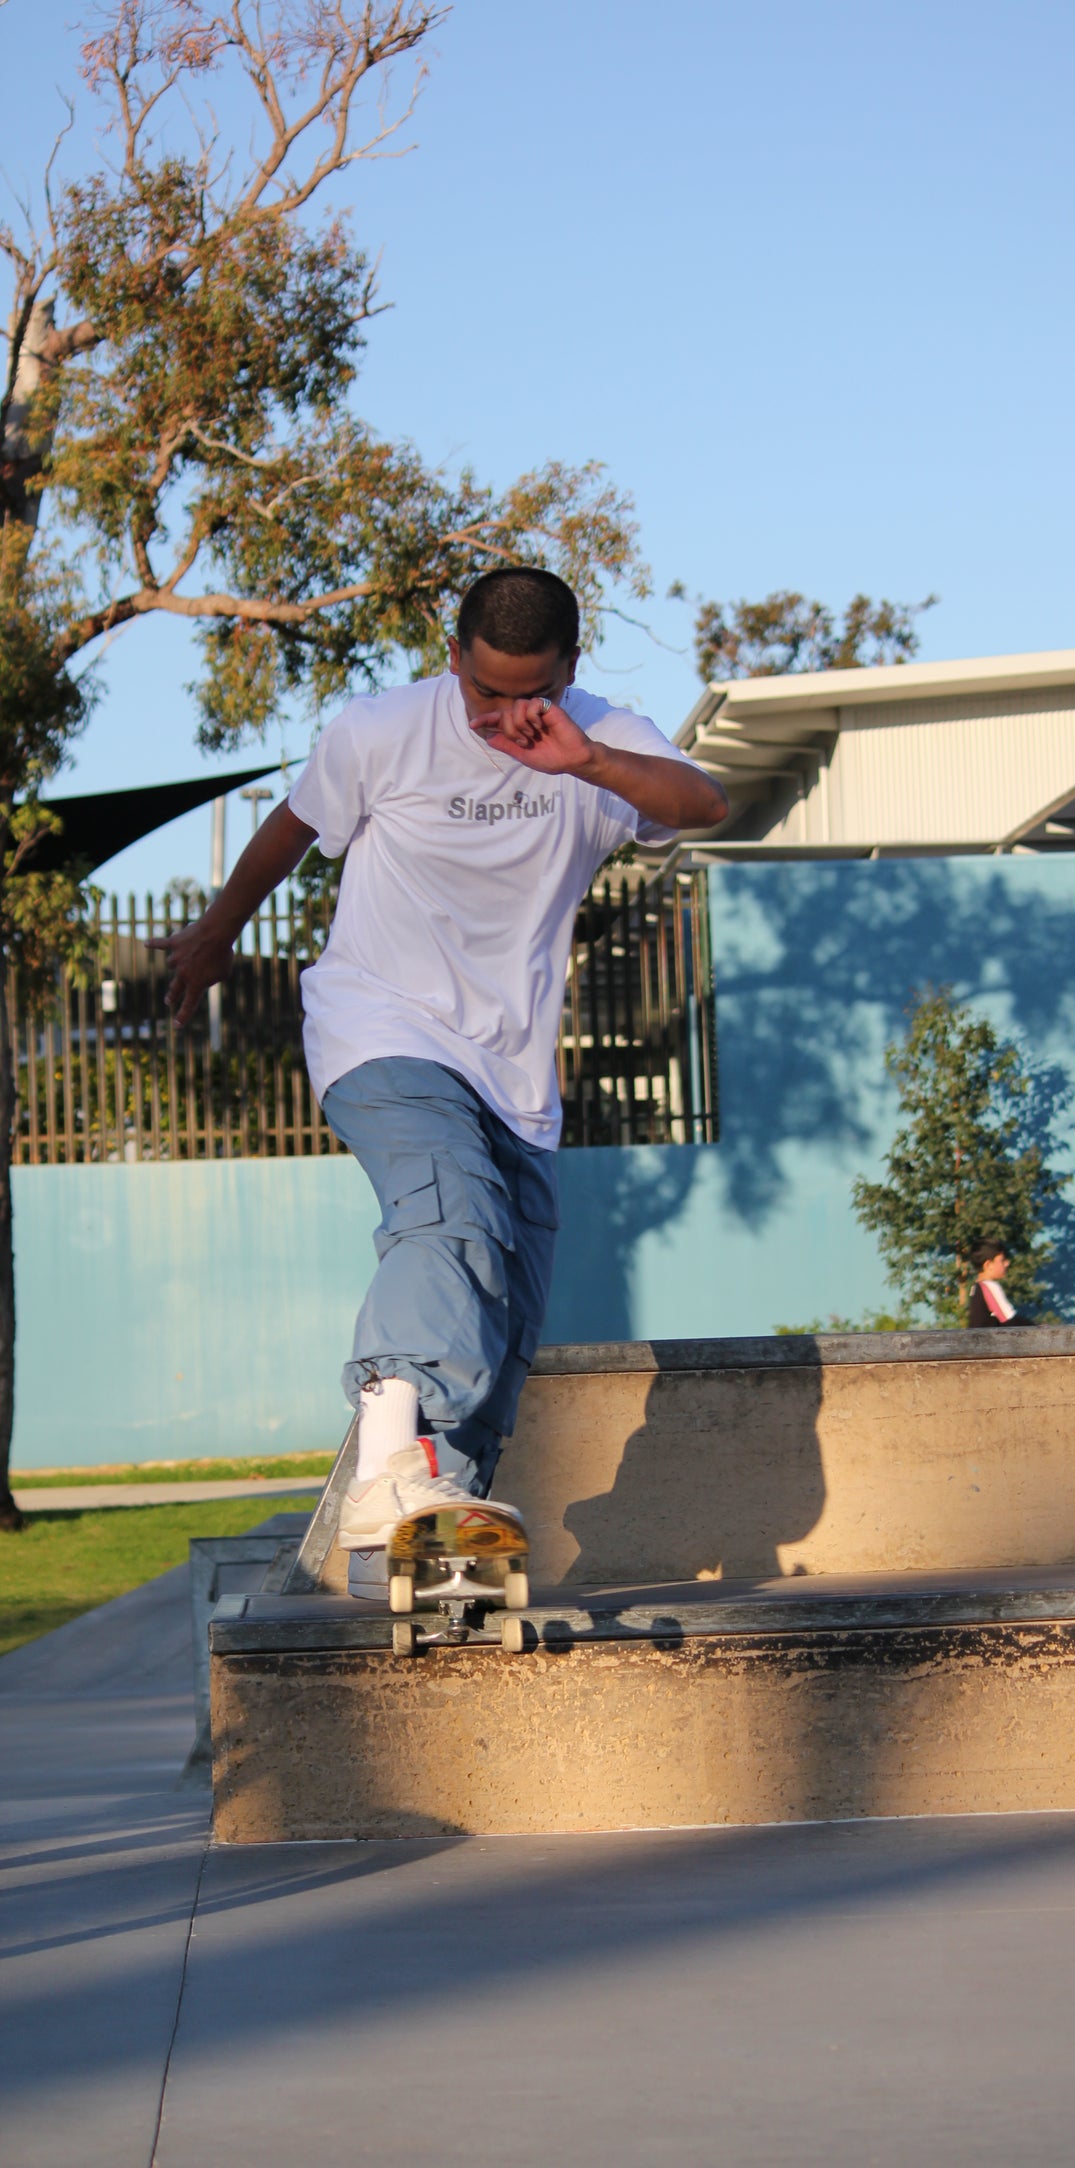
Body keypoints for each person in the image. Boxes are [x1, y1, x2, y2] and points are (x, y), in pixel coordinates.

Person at [151, 567, 729, 1571]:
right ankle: (387, 1467)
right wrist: (212, 936)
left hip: (511, 1074)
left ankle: (427, 1518)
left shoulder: (598, 737)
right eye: (485, 692)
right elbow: (288, 830)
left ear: (570, 669)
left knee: (502, 1304)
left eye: (530, 695)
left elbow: (704, 802)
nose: (506, 717)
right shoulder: (379, 729)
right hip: (379, 1027)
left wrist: (587, 760)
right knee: (448, 1214)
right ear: (450, 653)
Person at [965, 1241, 1020, 1328]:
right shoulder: (989, 1286)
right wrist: (1038, 1329)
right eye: (1002, 1260)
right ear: (988, 1265)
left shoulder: (975, 1288)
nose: (1007, 1263)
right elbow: (1009, 1320)